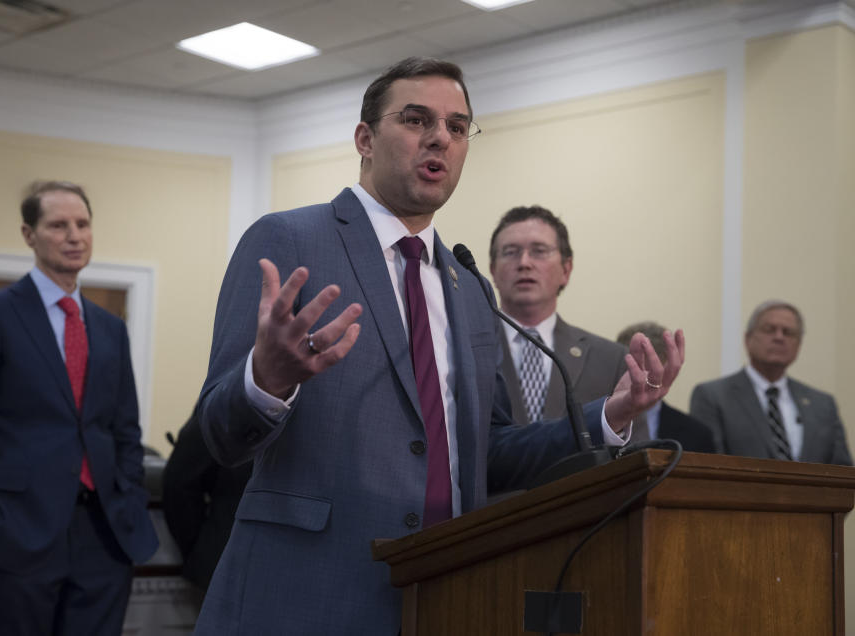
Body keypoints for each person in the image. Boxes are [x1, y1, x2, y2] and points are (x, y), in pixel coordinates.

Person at [193, 57, 684, 635]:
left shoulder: (468, 285)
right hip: (308, 592)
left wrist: (611, 415)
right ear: (364, 138)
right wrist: (266, 379)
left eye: (457, 126)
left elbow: (491, 450)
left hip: (446, 591)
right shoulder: (291, 238)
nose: (439, 138)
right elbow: (219, 435)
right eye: (416, 118)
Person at [0, 180, 158, 635]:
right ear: (28, 234)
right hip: (14, 534)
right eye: (58, 225)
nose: (74, 235)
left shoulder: (110, 328)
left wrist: (129, 495)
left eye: (83, 224)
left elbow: (125, 430)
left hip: (104, 536)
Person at [488, 205, 627, 425]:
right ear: (493, 270)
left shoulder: (611, 360)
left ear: (566, 269)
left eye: (539, 251)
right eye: (510, 252)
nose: (524, 263)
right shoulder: (467, 348)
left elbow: (635, 454)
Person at [689, 300, 851, 464]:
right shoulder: (713, 396)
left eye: (788, 332)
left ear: (798, 345)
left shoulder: (823, 405)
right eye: (769, 330)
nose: (779, 337)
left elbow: (843, 473)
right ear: (747, 339)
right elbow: (708, 467)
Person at [162, 404, 251, 590]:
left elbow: (180, 478)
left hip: (226, 558)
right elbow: (180, 483)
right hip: (225, 561)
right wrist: (199, 548)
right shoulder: (235, 389)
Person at [616, 321, 715, 452]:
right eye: (632, 369)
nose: (640, 380)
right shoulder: (594, 422)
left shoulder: (697, 433)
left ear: (670, 368)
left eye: (651, 371)